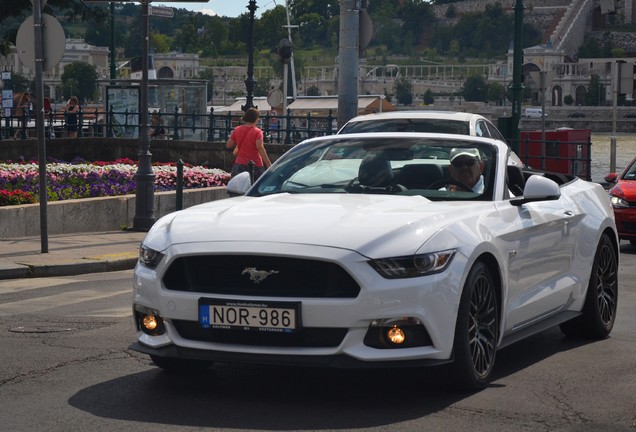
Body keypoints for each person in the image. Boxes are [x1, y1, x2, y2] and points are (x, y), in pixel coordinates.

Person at [225, 107, 272, 180]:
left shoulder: (237, 129)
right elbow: (260, 147)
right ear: (256, 119)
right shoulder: (258, 132)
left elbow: (228, 145)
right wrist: (268, 163)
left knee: (239, 188)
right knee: (257, 188)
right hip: (256, 164)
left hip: (240, 163)